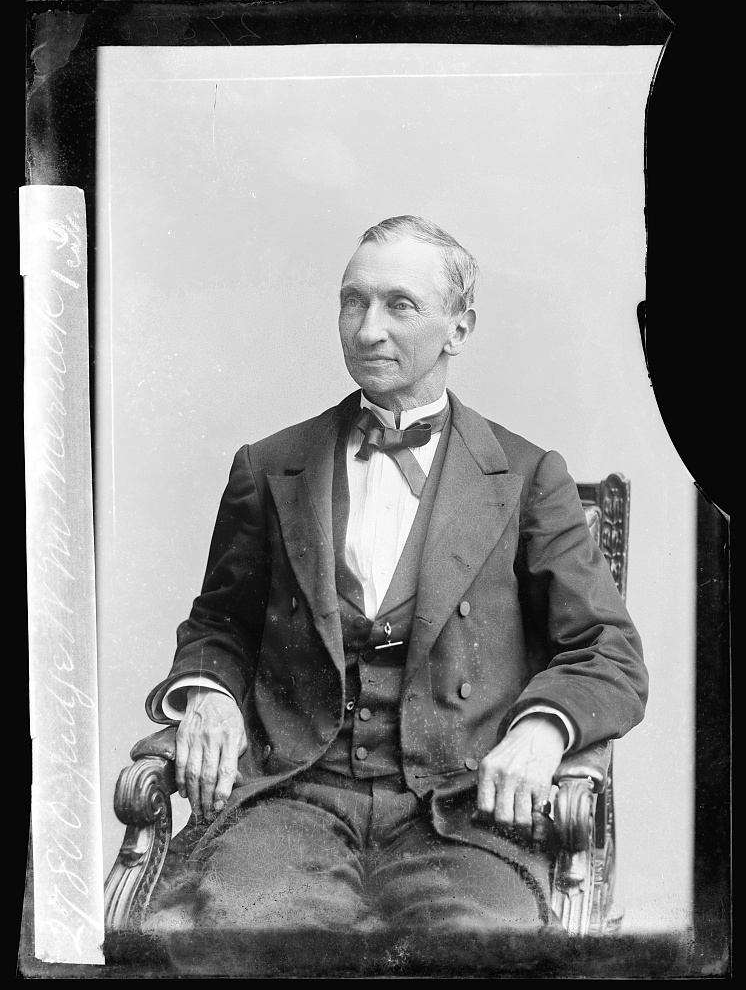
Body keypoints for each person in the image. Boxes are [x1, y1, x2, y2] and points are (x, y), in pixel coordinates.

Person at [142, 215, 647, 944]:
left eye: (399, 305)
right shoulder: (271, 465)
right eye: (354, 301)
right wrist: (210, 693)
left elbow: (608, 651)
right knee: (257, 937)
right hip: (295, 799)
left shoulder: (528, 477)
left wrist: (543, 727)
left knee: (474, 948)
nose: (368, 328)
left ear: (459, 330)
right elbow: (220, 623)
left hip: (461, 812)